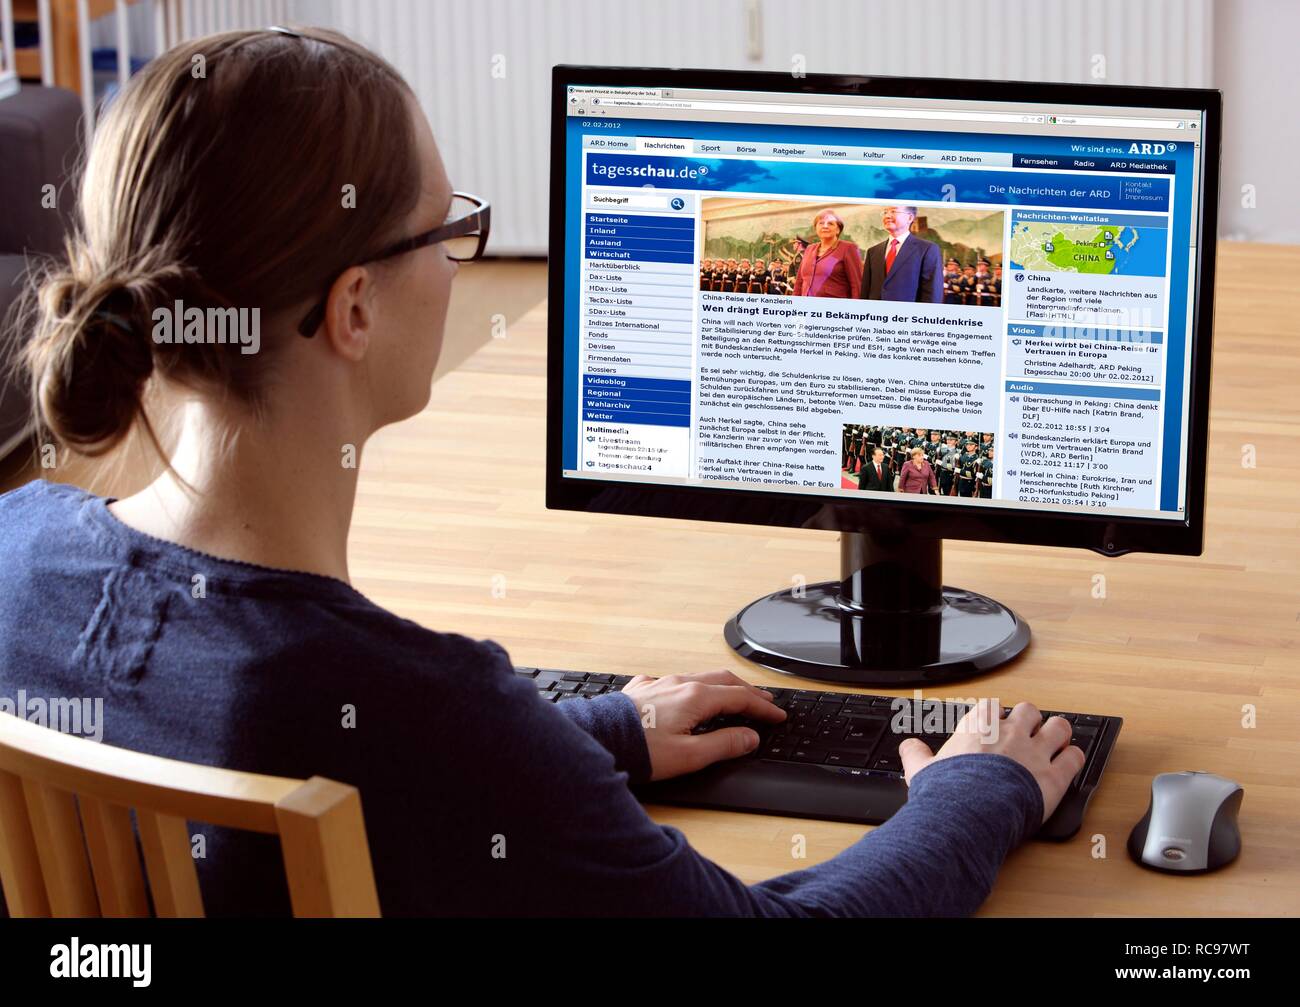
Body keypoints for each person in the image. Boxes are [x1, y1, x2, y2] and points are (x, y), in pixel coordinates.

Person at [0, 27, 1083, 918]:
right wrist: (974, 790)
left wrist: (594, 730)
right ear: (354, 308)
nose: (460, 253)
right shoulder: (428, 713)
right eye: (449, 229)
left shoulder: (16, 556)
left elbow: (333, 758)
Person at [858, 205, 943, 303]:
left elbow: (932, 294)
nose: (887, 216)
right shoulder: (873, 251)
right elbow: (865, 291)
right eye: (885, 212)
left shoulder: (927, 249)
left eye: (893, 211)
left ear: (910, 218)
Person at [792, 209, 862, 298]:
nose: (825, 226)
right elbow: (799, 282)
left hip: (835, 309)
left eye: (830, 223)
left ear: (838, 230)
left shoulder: (848, 248)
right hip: (805, 308)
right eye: (821, 223)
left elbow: (857, 285)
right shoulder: (809, 249)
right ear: (816, 228)